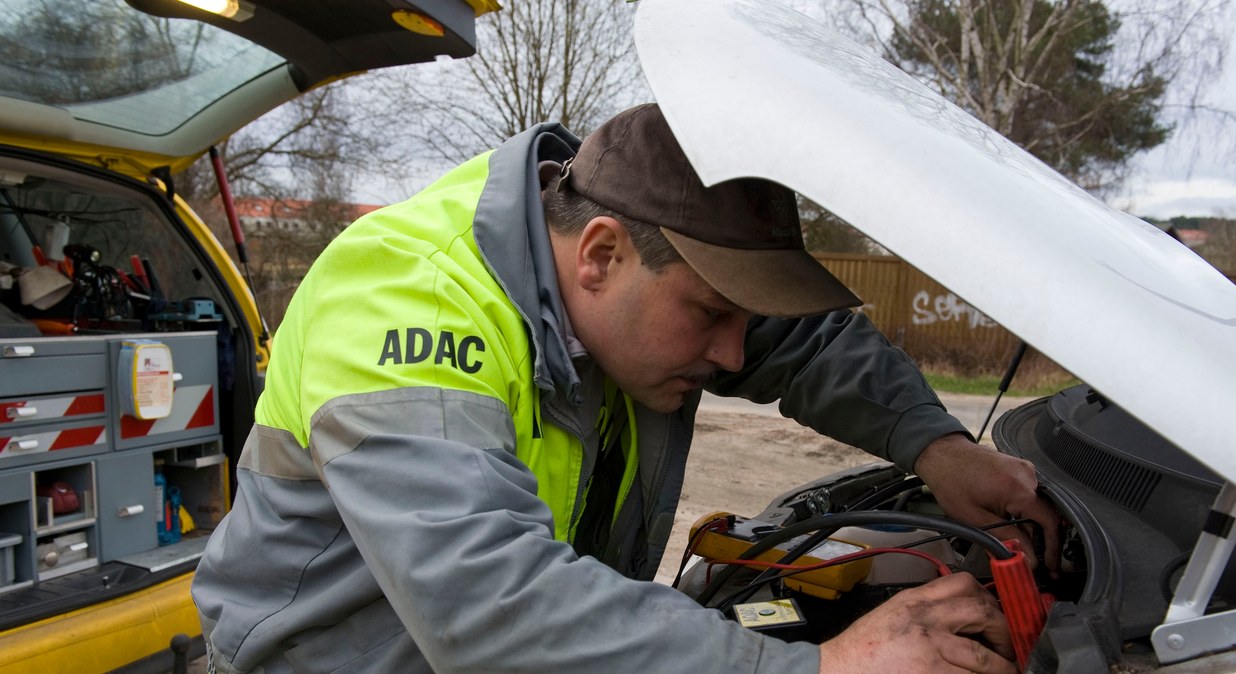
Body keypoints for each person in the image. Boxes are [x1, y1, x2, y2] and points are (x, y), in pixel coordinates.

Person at [192, 103, 1059, 673]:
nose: (731, 354)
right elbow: (489, 601)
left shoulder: (617, 277)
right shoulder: (406, 298)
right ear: (603, 253)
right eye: (713, 313)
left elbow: (800, 339)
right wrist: (822, 666)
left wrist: (937, 448)